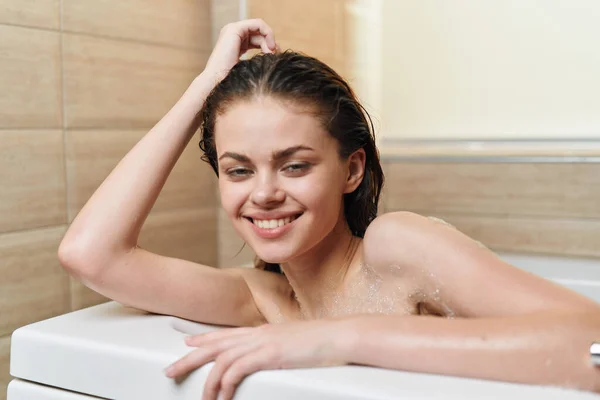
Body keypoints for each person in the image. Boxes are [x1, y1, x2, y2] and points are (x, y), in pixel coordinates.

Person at [58, 19, 600, 400]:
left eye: (295, 165)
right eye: (238, 169)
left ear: (352, 170)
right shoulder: (261, 300)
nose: (264, 193)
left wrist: (339, 337)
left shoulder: (395, 249)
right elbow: (91, 255)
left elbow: (589, 340)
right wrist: (204, 88)